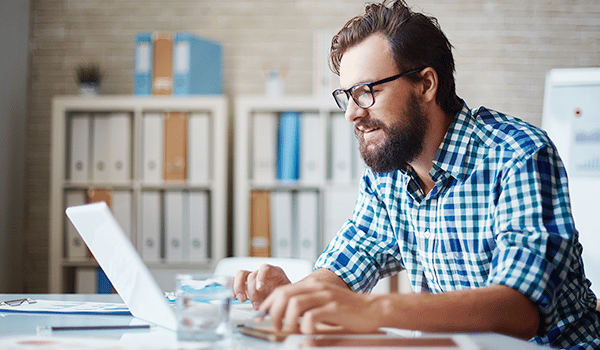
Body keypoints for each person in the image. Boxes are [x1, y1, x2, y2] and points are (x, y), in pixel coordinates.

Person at [234, 1, 600, 348]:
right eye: (346, 95)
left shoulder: (519, 154)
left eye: (365, 92)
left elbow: (520, 311)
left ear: (425, 84)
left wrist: (373, 311)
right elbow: (345, 266)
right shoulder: (390, 171)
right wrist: (296, 296)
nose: (351, 114)